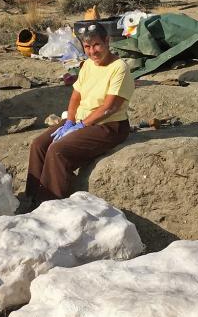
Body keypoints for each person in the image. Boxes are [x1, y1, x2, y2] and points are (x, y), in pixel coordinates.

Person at [25, 24, 134, 206]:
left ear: (107, 41)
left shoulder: (119, 68)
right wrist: (69, 121)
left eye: (97, 45)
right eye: (88, 47)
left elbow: (109, 107)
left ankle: (50, 206)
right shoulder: (88, 65)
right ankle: (31, 200)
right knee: (39, 145)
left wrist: (81, 126)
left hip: (108, 125)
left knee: (58, 150)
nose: (93, 52)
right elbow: (76, 96)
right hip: (81, 120)